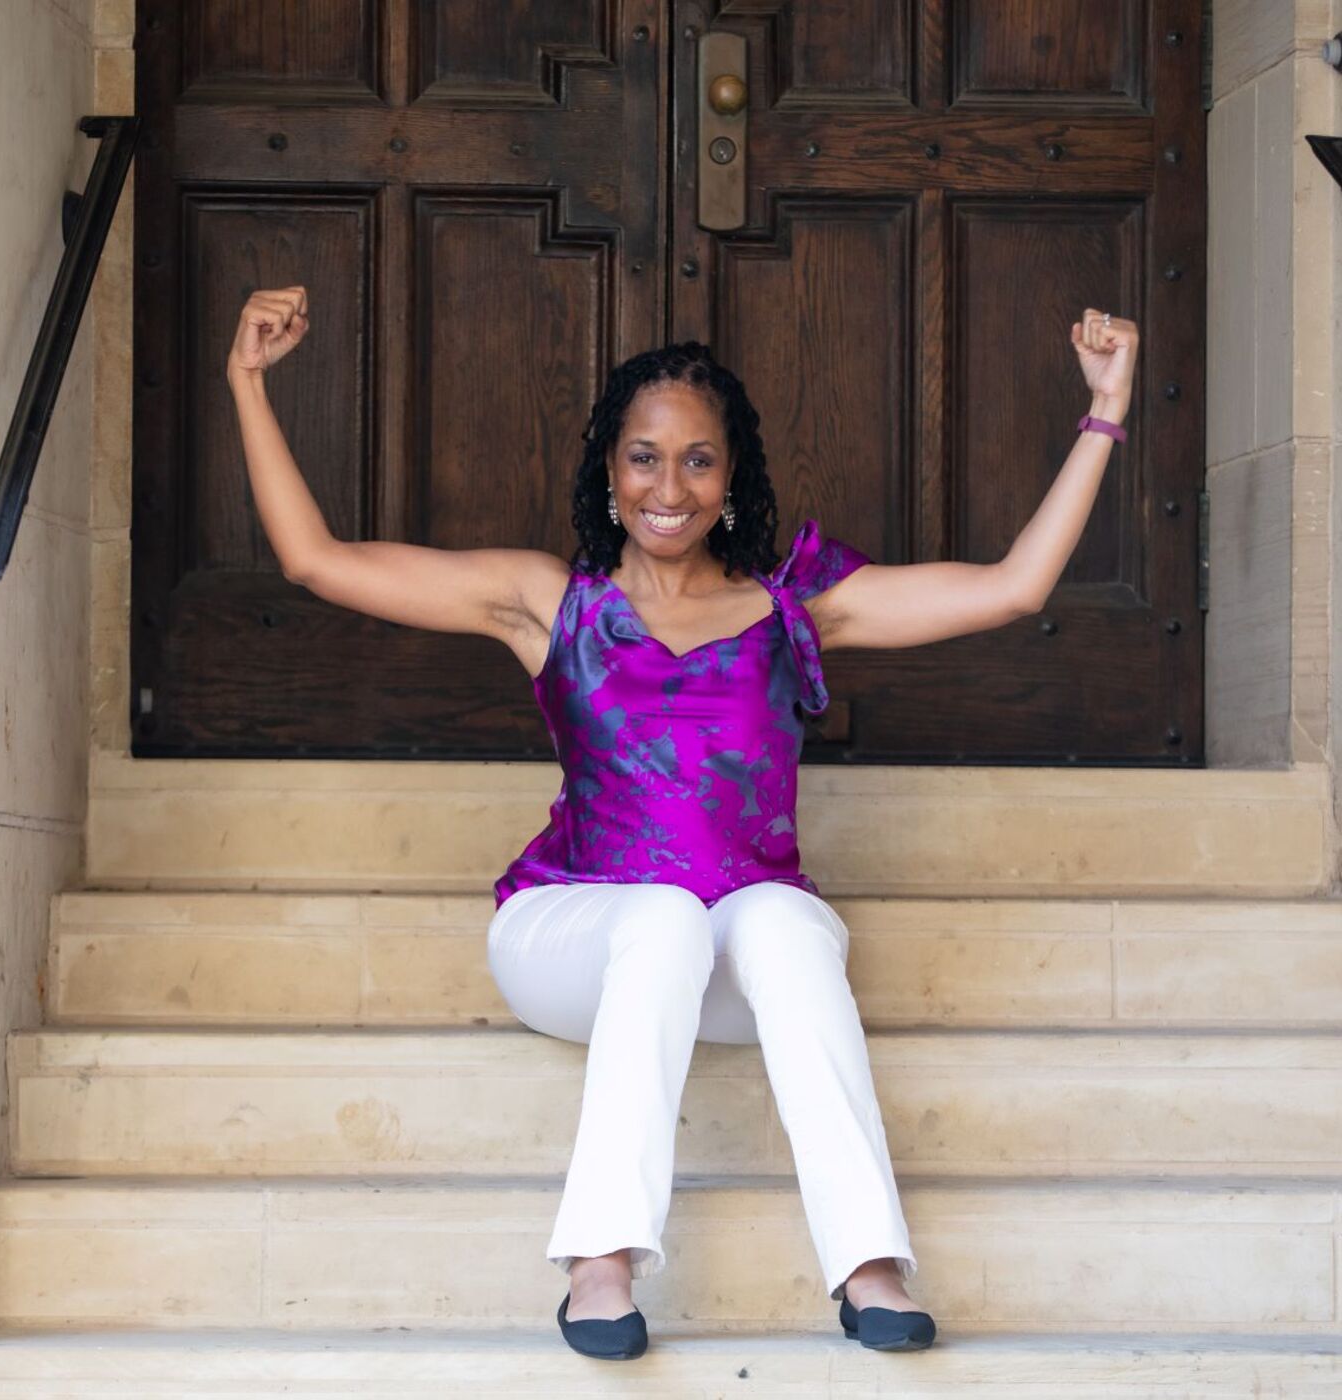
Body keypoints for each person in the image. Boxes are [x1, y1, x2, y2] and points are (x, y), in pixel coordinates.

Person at [226, 290, 1138, 1360]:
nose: (669, 486)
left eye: (697, 460)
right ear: (608, 472)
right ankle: (600, 1260)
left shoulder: (793, 606)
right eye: (644, 458)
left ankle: (865, 1259)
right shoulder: (548, 603)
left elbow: (1012, 587)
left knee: (787, 924)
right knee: (661, 912)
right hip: (574, 934)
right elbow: (316, 559)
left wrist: (1106, 408)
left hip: (727, 959)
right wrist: (246, 379)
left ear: (730, 476)